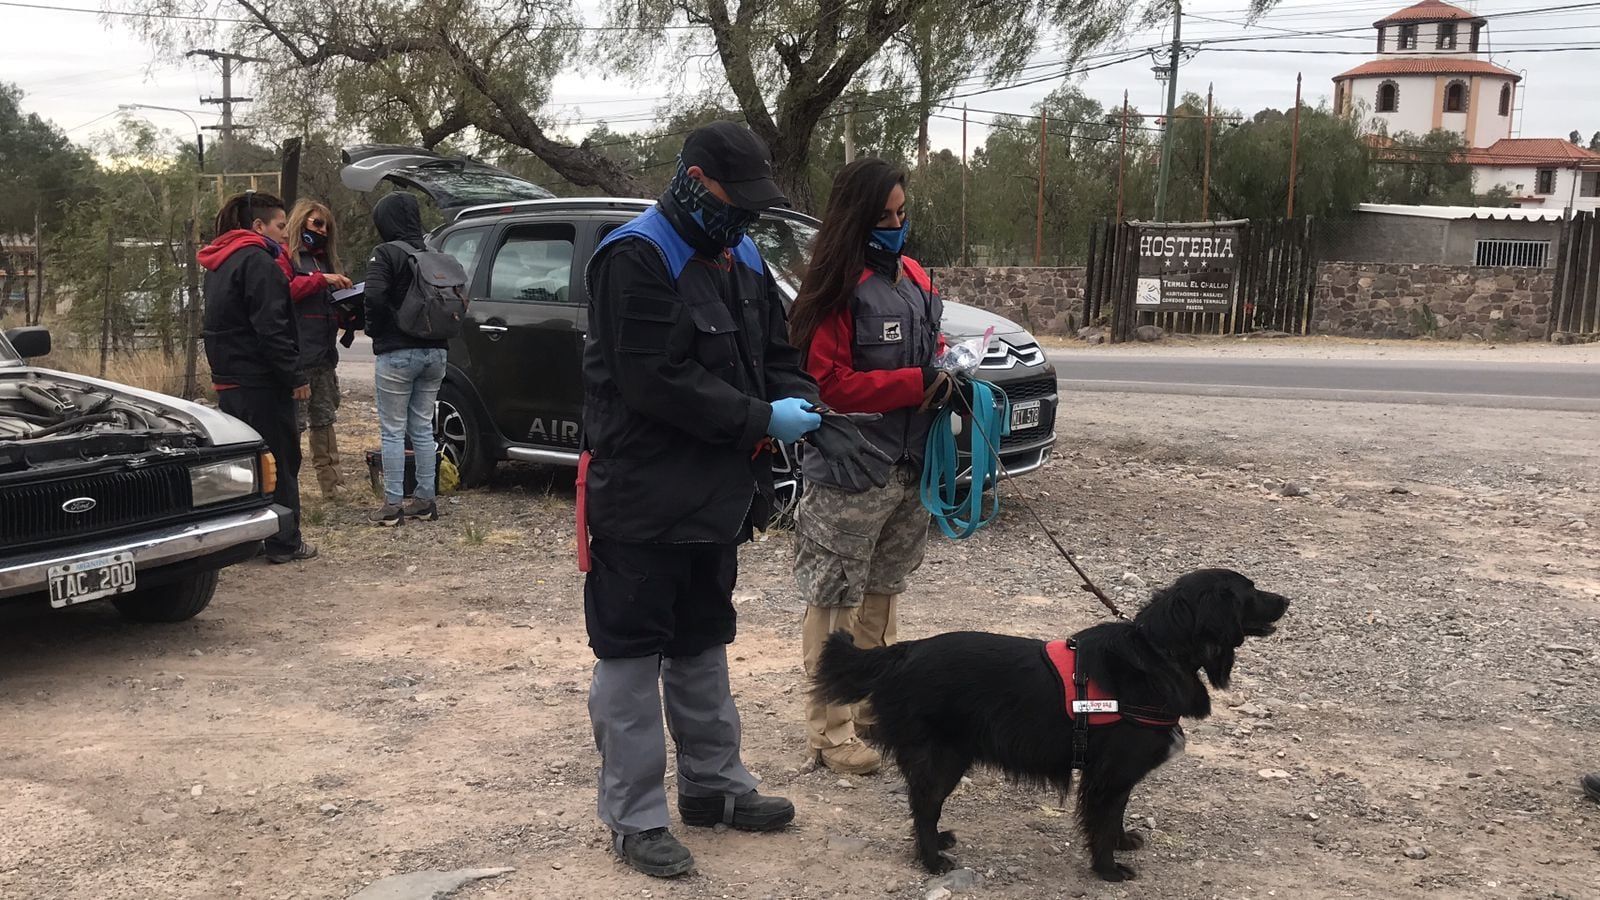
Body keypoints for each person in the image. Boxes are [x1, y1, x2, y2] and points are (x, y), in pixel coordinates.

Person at [581, 122, 885, 878]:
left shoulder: (740, 254)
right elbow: (654, 381)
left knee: (703, 643)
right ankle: (635, 817)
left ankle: (715, 788)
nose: (743, 215)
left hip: (714, 499)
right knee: (630, 658)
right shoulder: (637, 257)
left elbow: (777, 353)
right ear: (692, 179)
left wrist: (806, 408)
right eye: (733, 197)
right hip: (641, 497)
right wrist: (760, 419)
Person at [786, 159, 948, 776]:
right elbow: (827, 383)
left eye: (902, 215)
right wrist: (915, 384)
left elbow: (930, 349)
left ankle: (875, 703)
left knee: (884, 590)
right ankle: (829, 731)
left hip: (909, 467)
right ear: (856, 218)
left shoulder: (913, 278)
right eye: (884, 217)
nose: (896, 227)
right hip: (851, 471)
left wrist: (947, 375)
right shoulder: (834, 290)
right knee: (834, 599)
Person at [198, 191, 318, 563]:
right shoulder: (259, 262)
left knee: (244, 466)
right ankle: (284, 541)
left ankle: (244, 540)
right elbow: (272, 328)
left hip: (230, 379)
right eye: (281, 226)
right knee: (280, 461)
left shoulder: (220, 262)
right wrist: (294, 375)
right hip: (262, 382)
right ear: (258, 226)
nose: (286, 234)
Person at [363, 192, 447, 526]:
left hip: (397, 352)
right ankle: (425, 500)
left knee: (393, 431)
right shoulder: (435, 254)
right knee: (423, 428)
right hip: (437, 351)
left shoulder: (385, 253)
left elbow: (373, 296)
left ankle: (393, 506)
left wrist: (376, 330)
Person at [284, 199, 355, 500]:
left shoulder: (327, 261)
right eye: (316, 223)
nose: (322, 230)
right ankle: (287, 490)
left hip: (325, 358)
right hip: (297, 358)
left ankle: (333, 486)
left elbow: (331, 310)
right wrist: (319, 280)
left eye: (326, 225)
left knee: (324, 421)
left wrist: (349, 309)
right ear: (301, 223)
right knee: (292, 427)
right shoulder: (287, 258)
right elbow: (284, 292)